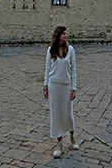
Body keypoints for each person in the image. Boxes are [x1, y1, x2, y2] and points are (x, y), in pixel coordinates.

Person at [43, 26, 78, 158]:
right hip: (54, 86)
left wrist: (74, 88)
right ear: (58, 35)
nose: (66, 35)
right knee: (56, 115)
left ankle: (72, 137)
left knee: (68, 113)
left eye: (66, 33)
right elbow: (47, 69)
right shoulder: (50, 50)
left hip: (66, 86)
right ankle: (59, 144)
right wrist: (45, 86)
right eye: (63, 33)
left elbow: (73, 70)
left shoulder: (71, 50)